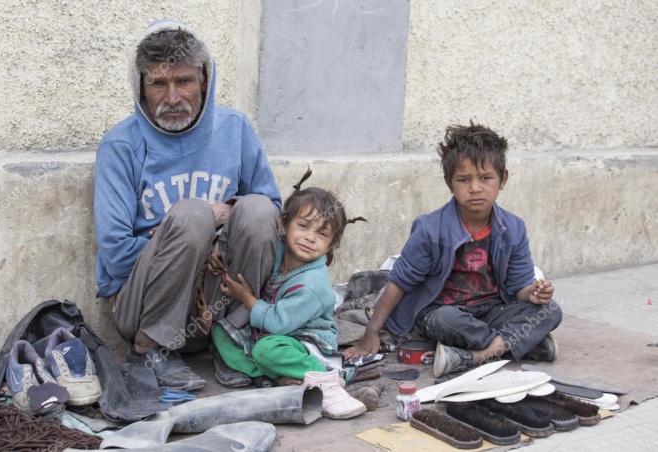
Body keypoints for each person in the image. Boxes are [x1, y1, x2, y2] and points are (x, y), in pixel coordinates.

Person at [94, 19, 282, 391]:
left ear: (205, 81)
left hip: (216, 306)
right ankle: (150, 350)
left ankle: (232, 342)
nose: (173, 98)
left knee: (259, 210)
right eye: (158, 83)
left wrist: (228, 216)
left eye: (184, 82)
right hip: (143, 307)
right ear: (141, 88)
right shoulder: (120, 146)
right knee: (193, 213)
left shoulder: (235, 129)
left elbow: (273, 209)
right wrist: (187, 232)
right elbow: (115, 253)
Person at [344, 122, 563, 378]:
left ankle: (476, 355)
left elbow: (519, 287)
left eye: (485, 178)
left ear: (502, 179)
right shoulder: (430, 229)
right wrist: (371, 332)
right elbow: (399, 283)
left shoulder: (513, 228)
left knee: (550, 310)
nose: (475, 188)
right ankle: (520, 345)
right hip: (442, 314)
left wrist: (534, 293)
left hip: (492, 312)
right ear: (450, 183)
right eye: (463, 179)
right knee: (444, 320)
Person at [209, 168, 367, 420]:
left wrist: (247, 298)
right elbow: (244, 237)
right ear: (283, 225)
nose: (309, 238)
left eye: (322, 234)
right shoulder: (278, 251)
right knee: (221, 332)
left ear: (331, 245)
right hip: (271, 333)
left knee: (267, 350)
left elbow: (278, 324)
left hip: (304, 341)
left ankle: (326, 377)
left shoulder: (312, 285)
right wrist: (218, 240)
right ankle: (272, 375)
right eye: (303, 226)